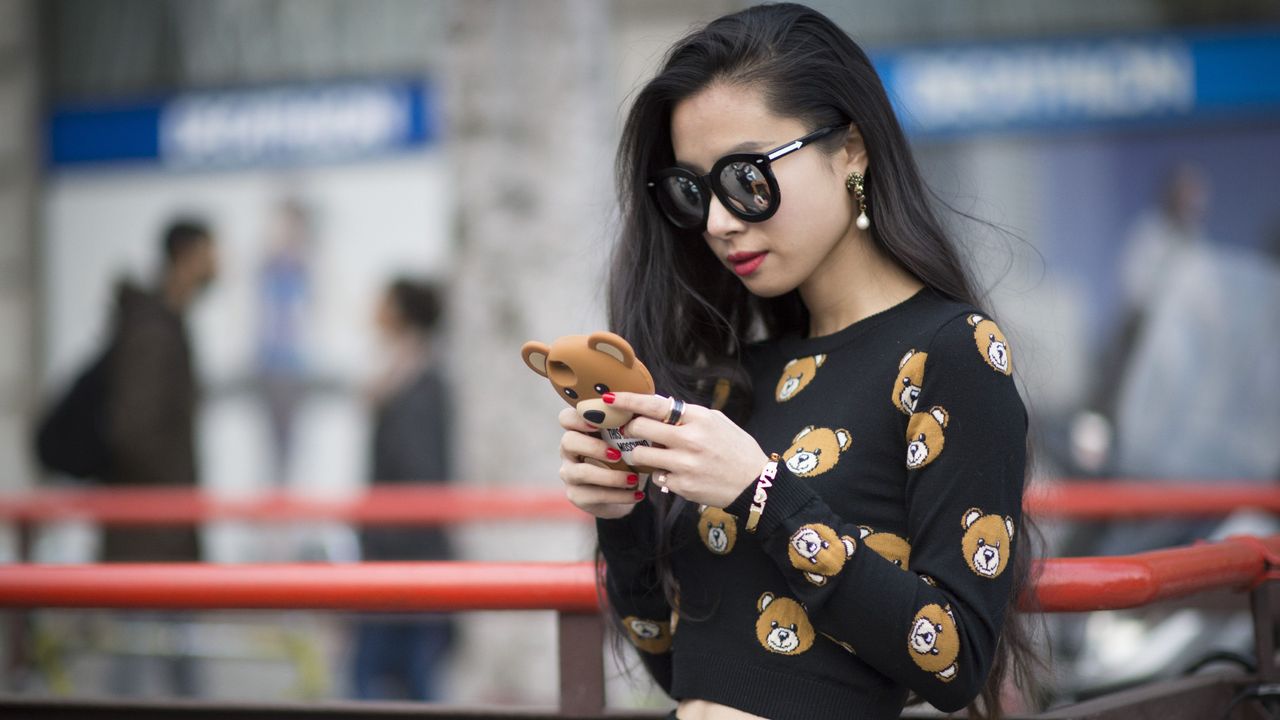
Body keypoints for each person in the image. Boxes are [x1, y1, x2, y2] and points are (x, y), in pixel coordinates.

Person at [552, 5, 1036, 720]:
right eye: (692, 190)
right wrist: (619, 511)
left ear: (852, 149)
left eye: (746, 177)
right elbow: (679, 662)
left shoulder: (951, 351)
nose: (719, 221)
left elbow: (957, 656)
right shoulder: (733, 380)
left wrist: (760, 494)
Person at [103, 217, 218, 697]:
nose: (218, 266)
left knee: (172, 670)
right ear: (188, 257)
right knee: (138, 673)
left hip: (162, 531)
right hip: (150, 536)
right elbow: (134, 431)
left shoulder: (165, 324)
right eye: (212, 254)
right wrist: (170, 503)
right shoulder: (155, 331)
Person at [351, 278, 455, 701]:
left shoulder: (418, 384)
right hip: (393, 552)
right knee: (391, 677)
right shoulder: (399, 376)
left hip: (405, 557)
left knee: (393, 677)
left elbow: (420, 475)